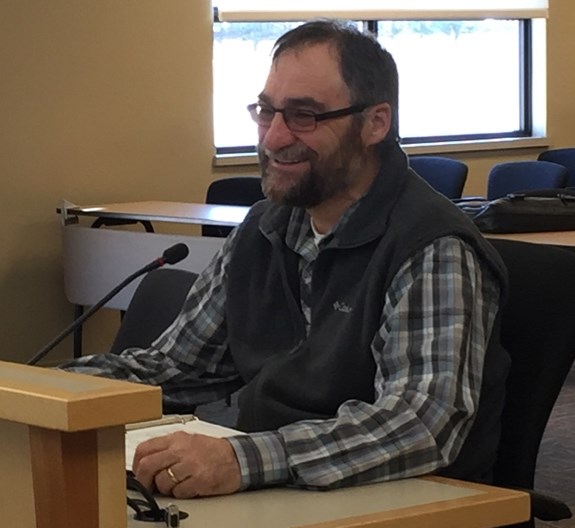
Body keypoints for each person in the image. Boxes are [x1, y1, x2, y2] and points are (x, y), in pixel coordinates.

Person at [61, 19, 509, 500]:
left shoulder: (431, 244)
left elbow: (421, 423)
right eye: (266, 111)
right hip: (279, 490)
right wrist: (41, 391)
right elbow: (176, 368)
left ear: (376, 122)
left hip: (405, 512)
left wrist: (241, 459)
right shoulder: (266, 227)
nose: (273, 138)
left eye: (304, 116)